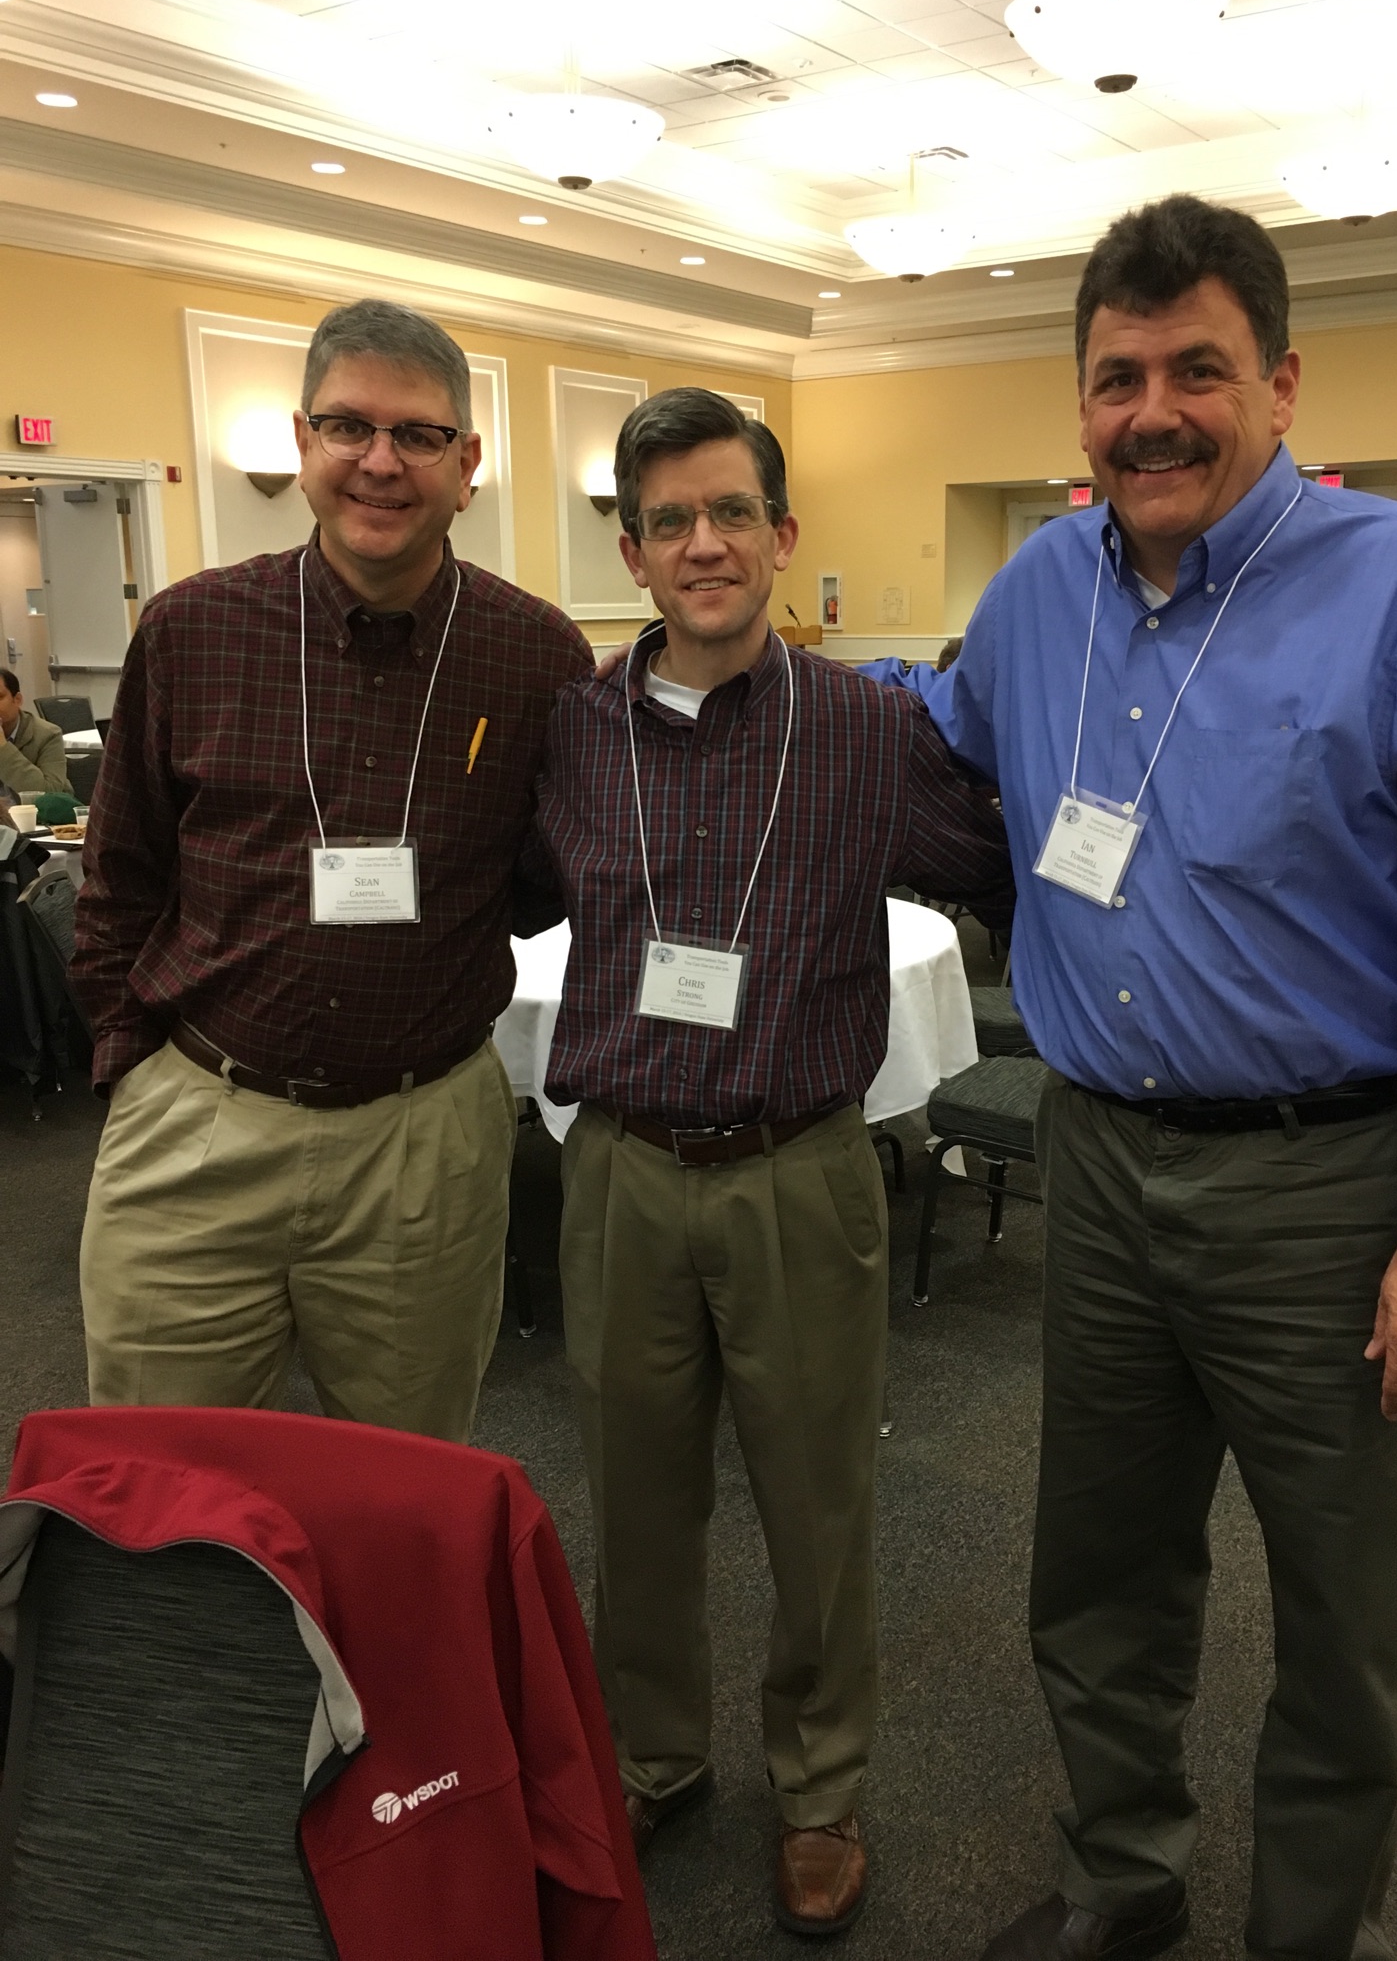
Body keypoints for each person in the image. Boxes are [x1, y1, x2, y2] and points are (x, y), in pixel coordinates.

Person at [874, 195, 1397, 1961]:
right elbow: (919, 734)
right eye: (1116, 376)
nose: (1151, 409)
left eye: (1196, 369)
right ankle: (1121, 1884)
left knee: (1343, 1606)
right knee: (1097, 1570)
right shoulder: (1033, 596)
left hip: (1334, 1187)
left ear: (1282, 382)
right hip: (1097, 1169)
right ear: (1075, 403)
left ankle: (1314, 1931)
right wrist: (715, 669)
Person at [533, 388, 1014, 1938]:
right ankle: (658, 1758)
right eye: (669, 520)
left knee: (817, 1504)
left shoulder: (871, 732)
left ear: (782, 534)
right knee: (636, 1497)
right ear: (631, 550)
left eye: (731, 511)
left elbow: (1012, 870)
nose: (703, 543)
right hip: (619, 1168)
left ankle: (820, 1788)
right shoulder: (574, 733)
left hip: (798, 1166)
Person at [72, 298, 591, 1443]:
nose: (379, 460)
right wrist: (134, 1076)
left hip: (424, 1145)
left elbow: (542, 878)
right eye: (348, 425)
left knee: (404, 1487)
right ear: (303, 444)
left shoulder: (536, 653)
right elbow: (119, 876)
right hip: (201, 1121)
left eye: (416, 434)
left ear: (468, 464)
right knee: (160, 1488)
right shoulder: (193, 627)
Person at [0, 668, 71, 796]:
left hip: (37, 814)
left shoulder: (47, 734)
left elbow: (50, 793)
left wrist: (3, 748)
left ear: (17, 699)